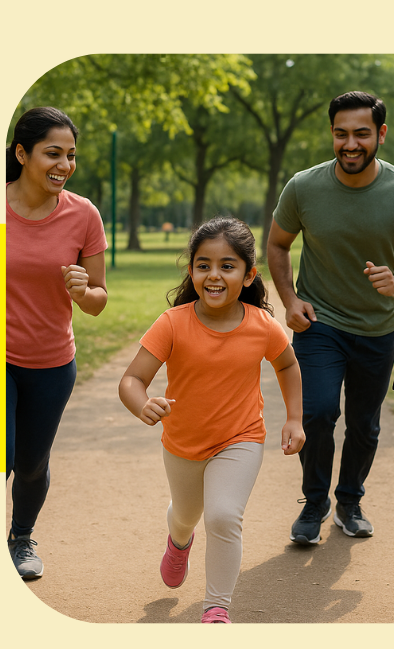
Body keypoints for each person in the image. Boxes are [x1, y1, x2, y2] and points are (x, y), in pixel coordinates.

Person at [268, 91, 394, 544]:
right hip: (319, 323)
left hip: (376, 328)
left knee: (364, 424)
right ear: (332, 134)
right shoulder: (303, 187)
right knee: (317, 412)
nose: (350, 144)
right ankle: (314, 503)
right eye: (341, 134)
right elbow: (277, 244)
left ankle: (349, 501)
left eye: (361, 134)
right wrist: (289, 299)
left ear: (380, 134)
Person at [118, 217, 305, 624]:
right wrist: (142, 404)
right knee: (186, 515)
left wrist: (295, 419)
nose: (214, 275)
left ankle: (216, 609)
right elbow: (132, 379)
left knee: (222, 515)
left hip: (241, 438)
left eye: (227, 265)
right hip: (183, 443)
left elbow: (288, 365)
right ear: (191, 271)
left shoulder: (262, 326)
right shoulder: (173, 322)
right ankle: (179, 541)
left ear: (248, 275)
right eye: (203, 265)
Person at [6, 107, 108, 579]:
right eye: (53, 153)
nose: (64, 165)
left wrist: (83, 291)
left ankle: (21, 537)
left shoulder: (83, 214)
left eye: (71, 155)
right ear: (22, 154)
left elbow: (98, 301)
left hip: (51, 362)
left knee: (31, 464)